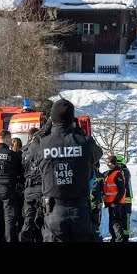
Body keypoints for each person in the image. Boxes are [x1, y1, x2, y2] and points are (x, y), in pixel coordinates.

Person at [35, 99, 103, 242]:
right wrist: (78, 131)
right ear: (72, 119)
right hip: (80, 212)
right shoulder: (84, 143)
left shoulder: (42, 145)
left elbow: (29, 153)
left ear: (53, 119)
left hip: (53, 212)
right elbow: (98, 153)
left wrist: (45, 129)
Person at [0, 129, 23, 242]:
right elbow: (20, 171)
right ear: (7, 139)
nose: (11, 141)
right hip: (8, 189)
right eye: (10, 139)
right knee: (9, 220)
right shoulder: (12, 154)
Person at [19, 121, 52, 242]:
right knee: (42, 220)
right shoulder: (45, 149)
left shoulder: (25, 151)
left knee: (28, 219)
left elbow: (21, 169)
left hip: (28, 190)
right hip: (41, 190)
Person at [104, 155, 126, 242]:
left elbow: (122, 190)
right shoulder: (110, 173)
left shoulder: (117, 173)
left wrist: (115, 202)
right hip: (110, 203)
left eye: (108, 162)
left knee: (116, 223)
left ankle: (119, 240)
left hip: (115, 203)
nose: (107, 164)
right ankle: (114, 239)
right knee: (112, 223)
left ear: (113, 163)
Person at [116, 155, 132, 242]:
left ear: (122, 164)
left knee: (126, 220)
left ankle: (126, 237)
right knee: (120, 219)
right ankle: (121, 236)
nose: (117, 166)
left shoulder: (125, 171)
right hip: (120, 200)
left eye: (119, 164)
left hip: (126, 200)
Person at [90, 161, 104, 242]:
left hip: (93, 202)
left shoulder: (87, 173)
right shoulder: (100, 175)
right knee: (96, 222)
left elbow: (103, 190)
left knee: (93, 222)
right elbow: (103, 190)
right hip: (96, 202)